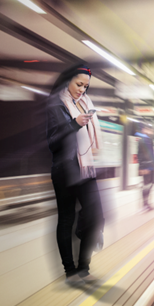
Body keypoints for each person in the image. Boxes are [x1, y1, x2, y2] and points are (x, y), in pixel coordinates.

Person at [46, 64, 104, 287]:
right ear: (68, 80)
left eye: (86, 86)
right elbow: (52, 143)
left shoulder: (84, 103)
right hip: (65, 169)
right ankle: (72, 271)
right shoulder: (56, 105)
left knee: (96, 216)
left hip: (85, 167)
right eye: (79, 84)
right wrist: (74, 124)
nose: (82, 90)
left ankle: (84, 266)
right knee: (66, 218)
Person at [136, 124, 154, 211]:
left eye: (152, 130)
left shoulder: (149, 140)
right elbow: (140, 154)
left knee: (150, 184)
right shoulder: (143, 140)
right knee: (146, 185)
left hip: (150, 166)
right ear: (144, 130)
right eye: (150, 130)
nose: (152, 132)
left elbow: (151, 154)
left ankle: (147, 203)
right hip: (146, 166)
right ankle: (145, 204)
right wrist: (142, 167)